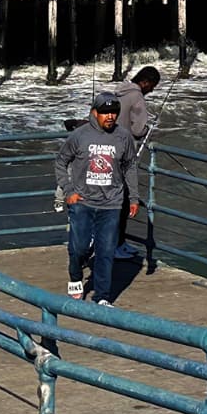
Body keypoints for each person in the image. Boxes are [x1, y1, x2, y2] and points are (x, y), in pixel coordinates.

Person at [55, 92, 139, 305]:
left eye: (113, 112)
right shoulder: (79, 135)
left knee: (106, 251)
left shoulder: (124, 137)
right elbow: (60, 162)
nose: (109, 116)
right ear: (94, 113)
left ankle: (102, 296)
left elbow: (130, 166)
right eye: (104, 112)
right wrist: (69, 190)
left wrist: (134, 198)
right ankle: (75, 275)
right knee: (79, 247)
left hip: (112, 203)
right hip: (82, 201)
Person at [112, 66, 161, 258]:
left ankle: (112, 242)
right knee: (123, 202)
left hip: (109, 151)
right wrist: (148, 127)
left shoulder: (119, 91)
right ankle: (117, 244)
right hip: (124, 155)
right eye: (153, 86)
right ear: (145, 82)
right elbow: (138, 129)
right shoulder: (137, 97)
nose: (152, 90)